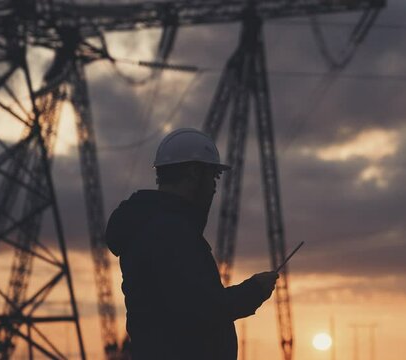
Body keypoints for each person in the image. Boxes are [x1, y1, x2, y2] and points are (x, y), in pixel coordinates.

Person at [106, 128, 279, 359]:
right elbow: (202, 309)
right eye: (213, 176)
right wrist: (254, 290)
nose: (215, 187)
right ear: (193, 173)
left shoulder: (155, 226)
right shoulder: (169, 232)